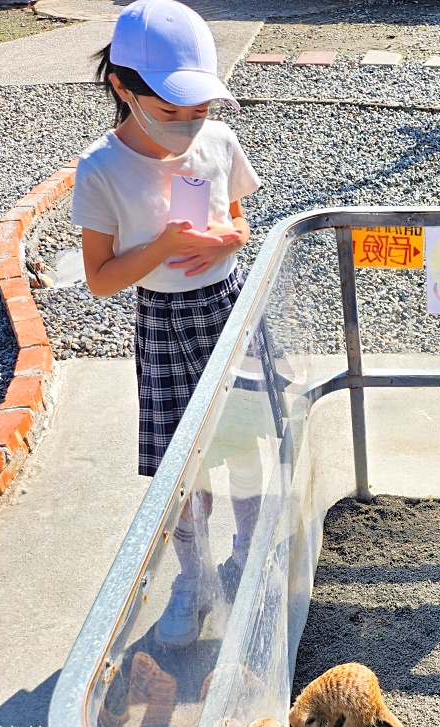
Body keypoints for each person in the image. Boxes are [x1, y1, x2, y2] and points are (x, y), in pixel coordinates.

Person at [71, 0, 264, 647]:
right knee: (184, 470)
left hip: (225, 304)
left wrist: (221, 243)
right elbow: (99, 278)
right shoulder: (102, 169)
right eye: (170, 111)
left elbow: (240, 223)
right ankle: (194, 576)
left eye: (199, 110)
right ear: (123, 87)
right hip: (164, 320)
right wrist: (162, 245)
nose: (188, 126)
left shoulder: (219, 142)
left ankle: (248, 555)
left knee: (242, 444)